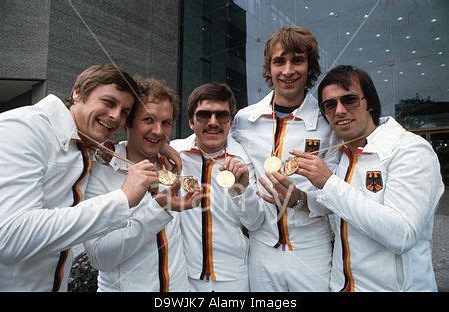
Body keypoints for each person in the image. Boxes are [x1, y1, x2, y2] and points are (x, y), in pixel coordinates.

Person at [0, 65, 168, 291]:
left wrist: (160, 146)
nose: (115, 116)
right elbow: (10, 238)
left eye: (125, 111)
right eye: (109, 102)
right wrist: (121, 199)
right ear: (77, 93)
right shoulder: (23, 128)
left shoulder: (83, 145)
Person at [292, 65, 444, 291]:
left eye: (350, 100)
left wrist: (328, 183)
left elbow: (402, 234)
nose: (340, 110)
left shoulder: (410, 150)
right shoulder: (343, 155)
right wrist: (296, 197)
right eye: (330, 105)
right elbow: (342, 207)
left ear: (370, 103)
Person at [230, 26, 337, 291]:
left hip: (311, 248)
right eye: (279, 61)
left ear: (310, 67)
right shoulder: (244, 119)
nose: (288, 71)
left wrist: (302, 201)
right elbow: (209, 145)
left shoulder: (328, 122)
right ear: (269, 68)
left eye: (297, 60)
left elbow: (340, 193)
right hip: (261, 247)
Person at [83, 78, 198, 291]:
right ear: (128, 121)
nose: (158, 131)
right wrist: (158, 210)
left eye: (166, 123)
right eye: (148, 120)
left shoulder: (173, 166)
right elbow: (99, 258)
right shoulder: (101, 173)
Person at [170, 83, 264, 292]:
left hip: (233, 279)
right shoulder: (175, 155)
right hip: (183, 277)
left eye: (221, 116)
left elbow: (255, 222)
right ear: (190, 121)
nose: (213, 123)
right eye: (204, 115)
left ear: (230, 122)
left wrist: (242, 190)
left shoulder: (243, 161)